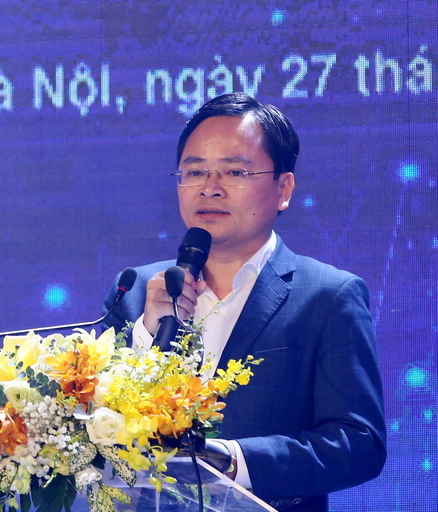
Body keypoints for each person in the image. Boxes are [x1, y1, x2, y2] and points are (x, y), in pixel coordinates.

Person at [102, 93, 386, 511]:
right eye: (194, 172)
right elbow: (89, 424)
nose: (210, 188)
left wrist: (233, 461)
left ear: (283, 189)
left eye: (235, 171)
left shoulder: (328, 297)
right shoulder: (135, 289)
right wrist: (147, 335)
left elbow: (358, 443)